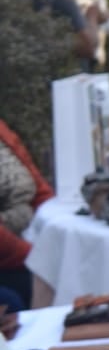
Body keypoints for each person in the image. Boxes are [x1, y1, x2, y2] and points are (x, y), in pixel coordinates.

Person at [0, 119, 52, 310]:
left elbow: (38, 187)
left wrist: (55, 222)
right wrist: (38, 257)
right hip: (10, 255)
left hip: (23, 240)